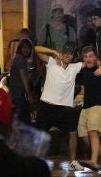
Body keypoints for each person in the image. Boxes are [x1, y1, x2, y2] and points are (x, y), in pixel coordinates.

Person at [34, 42, 83, 170]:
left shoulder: (74, 67)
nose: (67, 55)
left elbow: (91, 62)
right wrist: (54, 52)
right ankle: (35, 161)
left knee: (72, 132)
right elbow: (36, 49)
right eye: (65, 52)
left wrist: (100, 67)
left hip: (62, 108)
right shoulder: (52, 62)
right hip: (46, 106)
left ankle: (72, 162)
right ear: (62, 53)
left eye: (70, 53)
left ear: (73, 56)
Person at [75, 46, 101, 169]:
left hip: (98, 105)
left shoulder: (100, 68)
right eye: (86, 56)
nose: (88, 59)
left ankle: (93, 161)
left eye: (91, 56)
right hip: (85, 106)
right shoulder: (82, 71)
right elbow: (79, 87)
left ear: (95, 57)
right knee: (84, 136)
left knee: (93, 132)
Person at [8, 38, 43, 123]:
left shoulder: (22, 59)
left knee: (23, 117)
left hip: (18, 93)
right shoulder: (20, 58)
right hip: (18, 94)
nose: (26, 50)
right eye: (24, 48)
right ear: (20, 48)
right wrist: (29, 95)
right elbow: (23, 78)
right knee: (22, 117)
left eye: (28, 48)